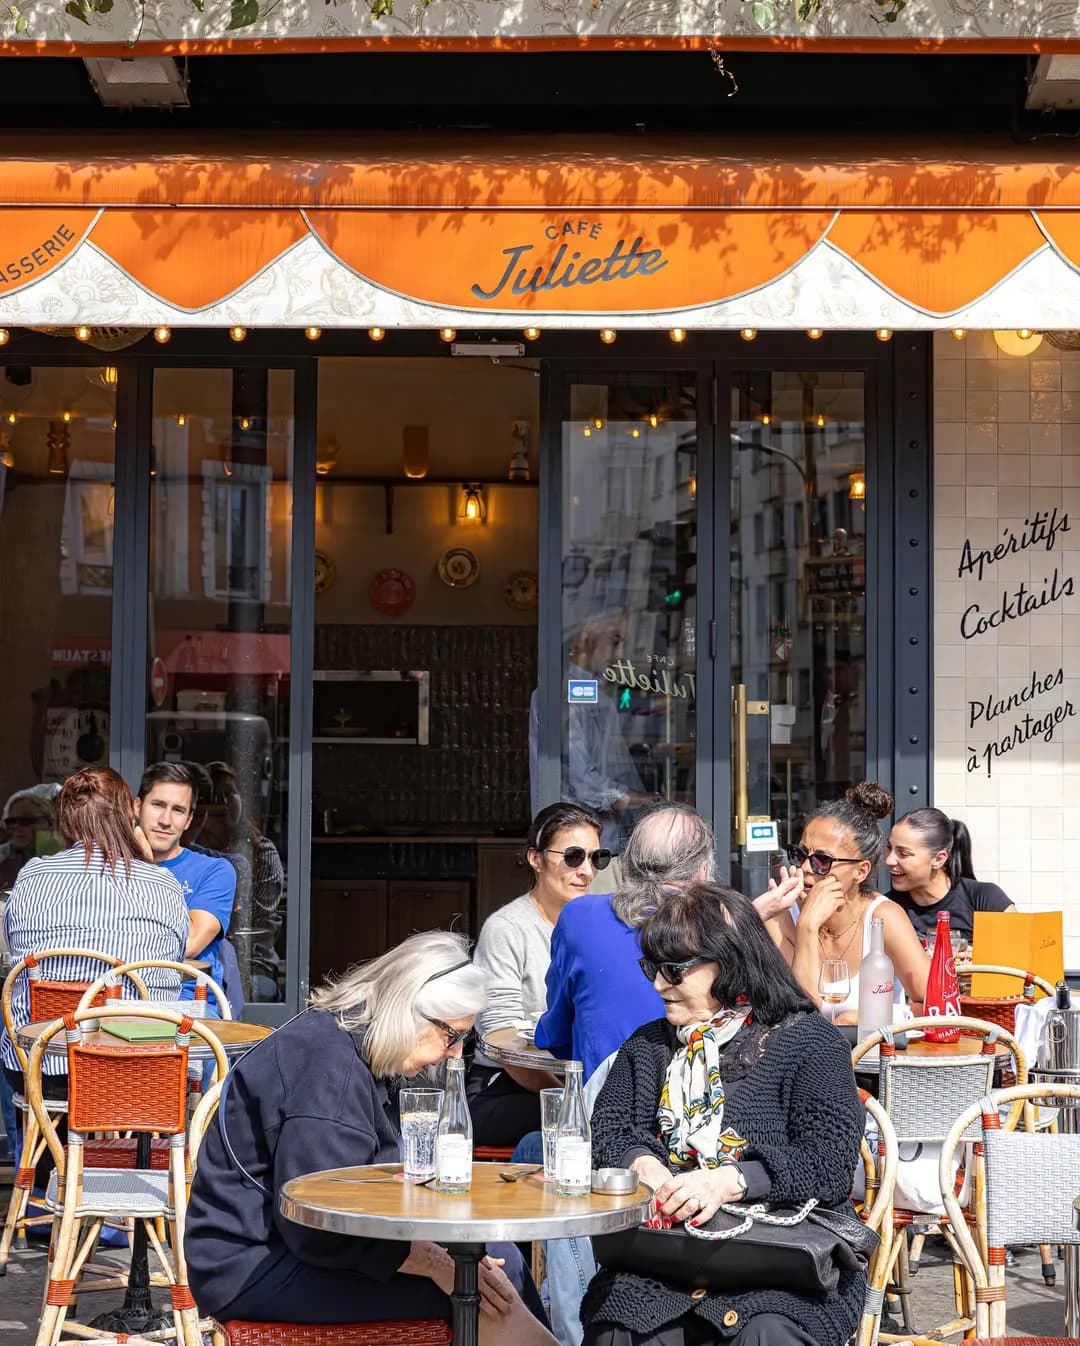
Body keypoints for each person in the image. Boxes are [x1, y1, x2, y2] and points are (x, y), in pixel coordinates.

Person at [185, 930, 556, 1346]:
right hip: (253, 1266)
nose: (454, 1055)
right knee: (480, 1291)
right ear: (410, 1013)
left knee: (497, 1265)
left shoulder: (347, 1045)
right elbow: (318, 1227)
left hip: (284, 1248)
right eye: (451, 1036)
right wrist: (437, 1265)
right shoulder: (331, 1073)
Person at [582, 882, 865, 1346]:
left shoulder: (810, 1042)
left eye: (674, 970)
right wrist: (645, 1165)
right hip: (665, 1260)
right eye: (652, 967)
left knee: (764, 1334)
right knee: (622, 1327)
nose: (657, 984)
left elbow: (830, 1162)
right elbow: (609, 1129)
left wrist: (726, 1181)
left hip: (779, 1263)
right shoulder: (649, 1045)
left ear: (730, 964)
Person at [536, 802, 803, 1083]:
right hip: (698, 1111)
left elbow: (554, 1035)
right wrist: (746, 919)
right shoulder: (716, 934)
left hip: (601, 1107)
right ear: (702, 871)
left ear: (628, 864)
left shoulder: (579, 917)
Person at [1, 766, 188, 1110]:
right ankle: (138, 1153)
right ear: (128, 815)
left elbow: (17, 951)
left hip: (43, 1069)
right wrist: (147, 863)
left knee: (18, 1021)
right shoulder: (164, 885)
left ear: (65, 822)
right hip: (139, 1070)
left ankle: (43, 1155)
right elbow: (173, 961)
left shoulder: (33, 875)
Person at [469, 802, 606, 1147]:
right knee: (591, 1129)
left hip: (584, 1082)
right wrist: (572, 1103)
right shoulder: (506, 929)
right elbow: (500, 1036)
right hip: (507, 1083)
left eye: (596, 858)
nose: (587, 871)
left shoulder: (602, 925)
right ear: (536, 859)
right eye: (574, 857)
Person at [778, 782, 929, 1025]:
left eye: (822, 860)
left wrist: (875, 1018)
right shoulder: (783, 917)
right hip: (810, 1060)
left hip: (874, 1056)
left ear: (861, 871)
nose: (805, 868)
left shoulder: (883, 917)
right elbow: (802, 1018)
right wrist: (807, 926)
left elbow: (931, 1001)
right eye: (801, 854)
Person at [133, 762, 237, 1006]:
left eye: (178, 810)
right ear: (137, 807)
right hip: (123, 996)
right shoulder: (112, 866)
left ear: (189, 820)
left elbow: (189, 944)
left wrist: (148, 867)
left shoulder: (215, 871)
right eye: (158, 805)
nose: (166, 820)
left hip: (188, 1002)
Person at [885, 806, 1013, 941]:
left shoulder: (987, 899)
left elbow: (1021, 952)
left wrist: (976, 955)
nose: (889, 860)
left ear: (939, 859)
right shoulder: (886, 909)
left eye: (903, 853)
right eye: (889, 848)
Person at [0, 789, 57, 888]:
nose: (18, 827)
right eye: (12, 821)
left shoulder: (67, 855)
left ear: (49, 823)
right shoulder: (3, 856)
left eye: (27, 820)